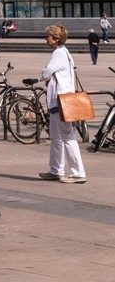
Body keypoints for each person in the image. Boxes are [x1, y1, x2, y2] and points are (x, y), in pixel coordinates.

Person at [39, 25, 87, 183]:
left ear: (56, 39)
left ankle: (78, 172)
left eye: (48, 36)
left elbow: (47, 73)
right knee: (56, 136)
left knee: (67, 136)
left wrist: (44, 71)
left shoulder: (59, 53)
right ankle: (55, 170)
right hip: (58, 100)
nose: (46, 39)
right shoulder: (64, 52)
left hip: (61, 100)